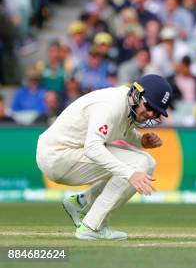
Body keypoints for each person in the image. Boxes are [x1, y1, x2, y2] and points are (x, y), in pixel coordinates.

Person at [36, 74, 173, 240]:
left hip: (64, 153)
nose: (150, 114)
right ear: (137, 94)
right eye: (149, 106)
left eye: (156, 112)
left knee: (147, 162)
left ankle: (82, 203)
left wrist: (141, 140)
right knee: (140, 164)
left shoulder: (126, 102)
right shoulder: (111, 105)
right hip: (58, 156)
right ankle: (92, 226)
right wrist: (129, 173)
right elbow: (93, 148)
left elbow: (119, 130)